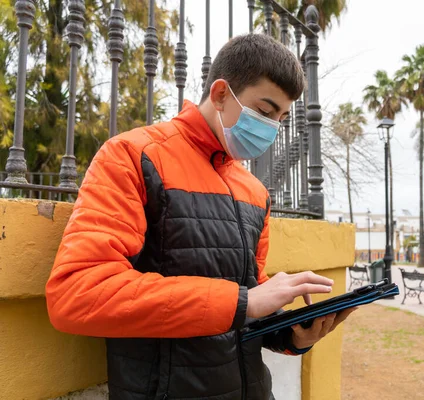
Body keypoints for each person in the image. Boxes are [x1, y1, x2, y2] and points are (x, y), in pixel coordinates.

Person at [45, 34, 355, 400]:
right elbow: (77, 293)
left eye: (281, 119)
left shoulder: (254, 190)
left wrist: (290, 335)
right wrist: (241, 302)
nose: (272, 129)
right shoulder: (133, 155)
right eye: (265, 112)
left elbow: (251, 300)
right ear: (221, 93)